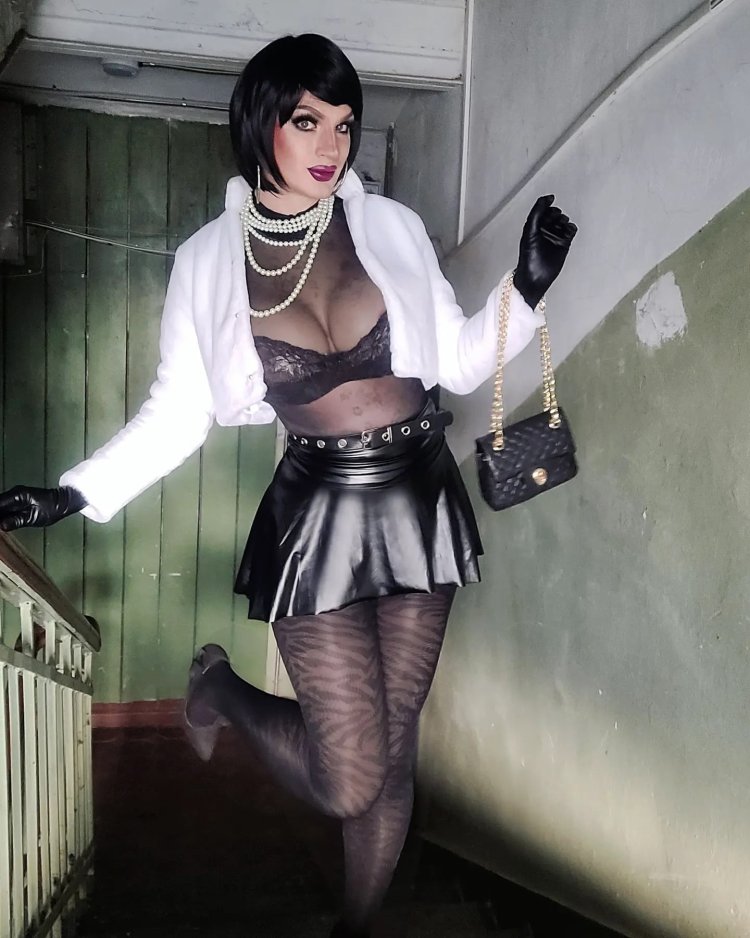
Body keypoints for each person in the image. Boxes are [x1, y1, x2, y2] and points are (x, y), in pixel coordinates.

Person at [0, 33, 576, 938]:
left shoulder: (389, 227)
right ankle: (223, 689)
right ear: (263, 122)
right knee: (350, 776)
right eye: (308, 121)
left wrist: (527, 287)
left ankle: (354, 926)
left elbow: (461, 361)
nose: (330, 145)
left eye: (344, 124)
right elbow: (177, 412)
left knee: (392, 747)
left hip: (419, 497)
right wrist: (72, 493)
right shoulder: (207, 261)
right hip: (317, 515)